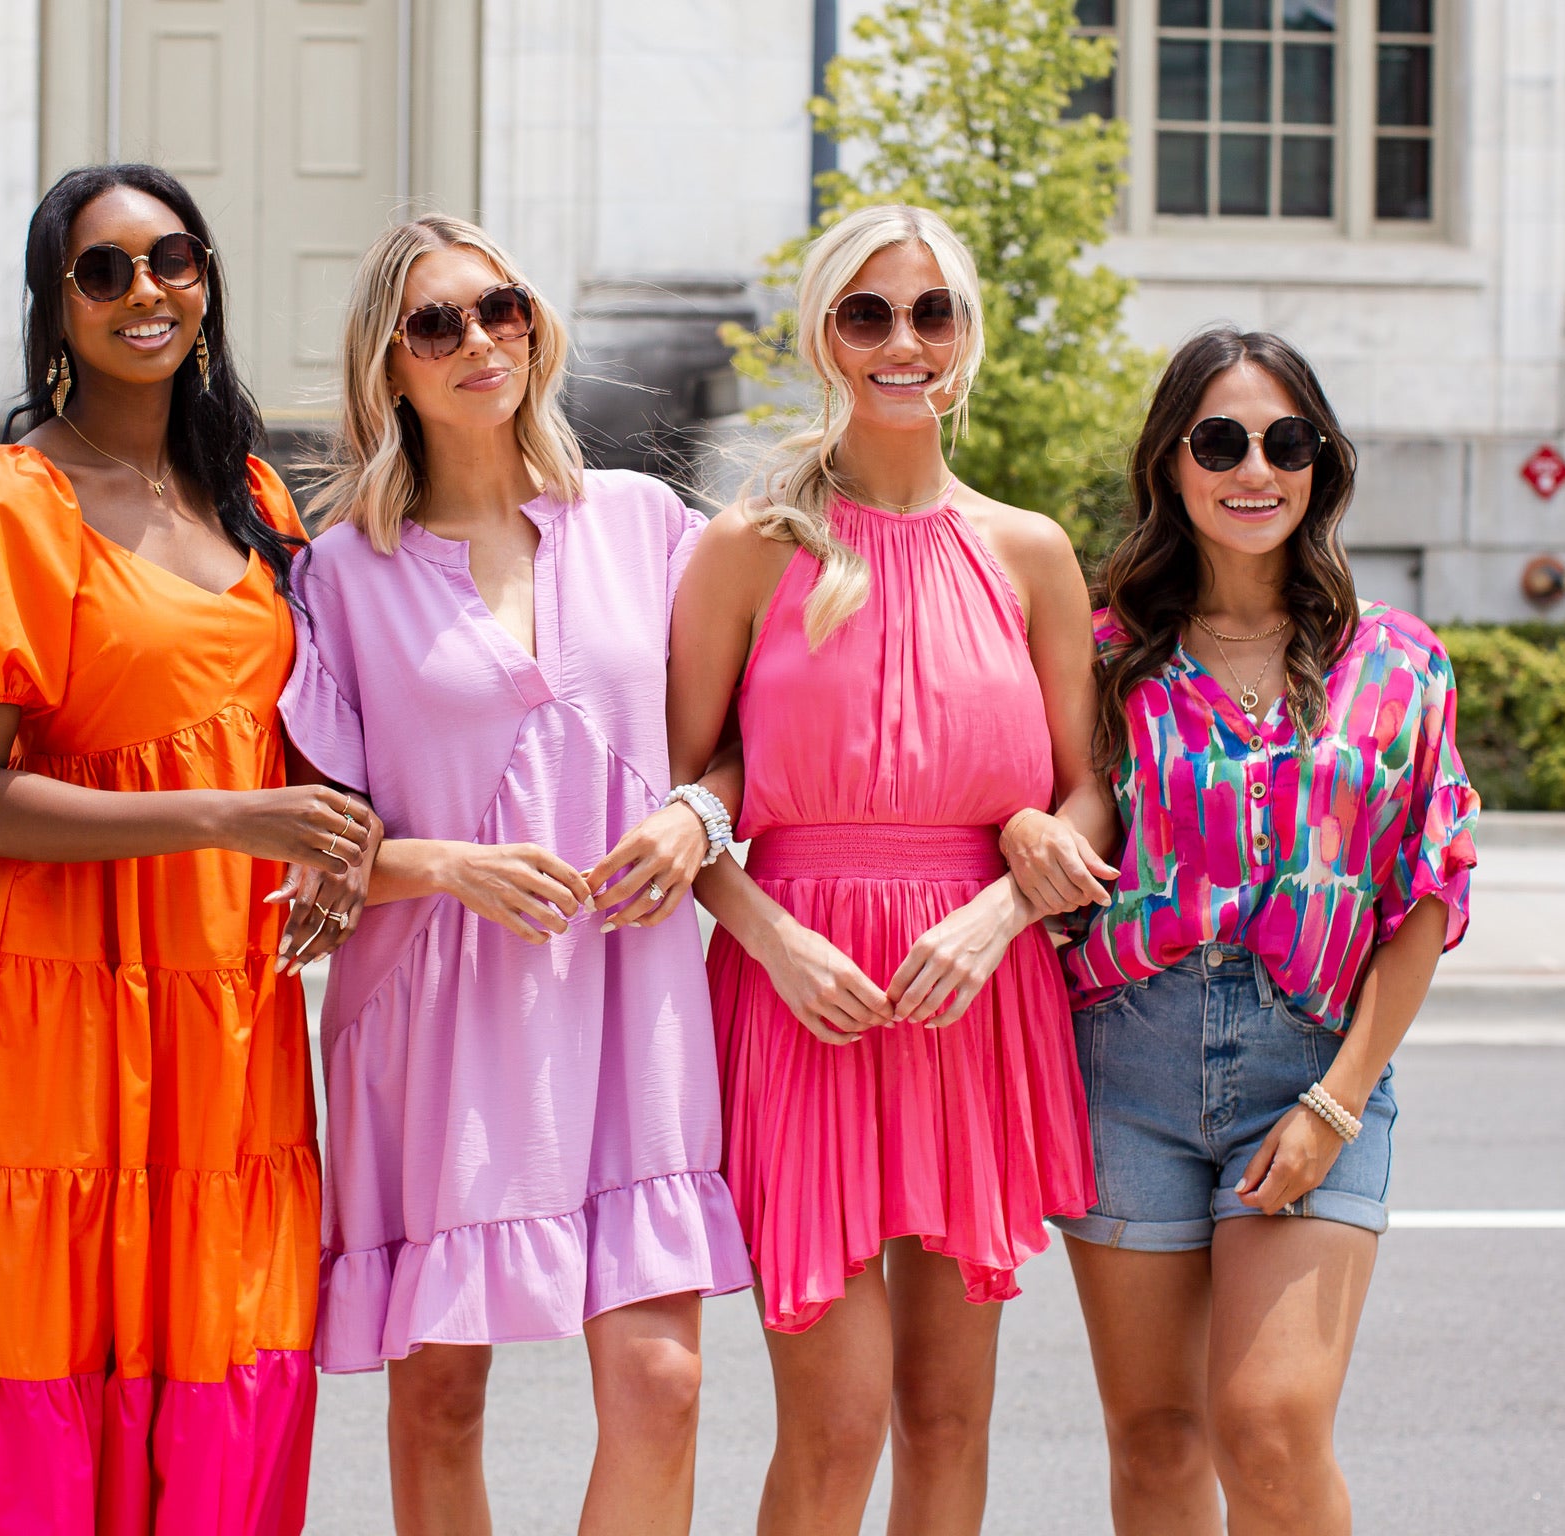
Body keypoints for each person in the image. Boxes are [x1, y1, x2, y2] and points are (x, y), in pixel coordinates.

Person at [0, 164, 376, 1535]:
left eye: (172, 260)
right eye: (105, 269)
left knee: (221, 1334)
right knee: (51, 1340)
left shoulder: (249, 489)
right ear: (55, 303)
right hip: (49, 992)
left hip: (219, 1002)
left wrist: (317, 832)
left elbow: (272, 726)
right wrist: (230, 817)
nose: (147, 293)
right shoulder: (4, 504)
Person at [281, 215, 753, 1535]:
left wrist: (693, 822)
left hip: (632, 1003)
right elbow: (310, 844)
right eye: (437, 324)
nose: (478, 341)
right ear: (390, 366)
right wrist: (443, 864)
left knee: (661, 1385)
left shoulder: (649, 526)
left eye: (502, 310)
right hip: (438, 1022)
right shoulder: (340, 576)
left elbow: (737, 750)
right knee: (440, 1404)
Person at [669, 203, 1111, 1536]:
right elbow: (682, 806)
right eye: (868, 313)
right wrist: (765, 934)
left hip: (977, 997)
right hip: (800, 999)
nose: (902, 342)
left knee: (946, 1420)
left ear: (967, 336)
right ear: (821, 336)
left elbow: (1088, 797)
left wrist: (1003, 907)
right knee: (839, 1420)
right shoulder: (748, 546)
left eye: (932, 312)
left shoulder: (1026, 550)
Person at [1050, 327, 1478, 1534]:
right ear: (1172, 464)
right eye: (1220, 440)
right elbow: (1044, 823)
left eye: (1285, 441)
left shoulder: (1396, 662)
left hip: (1313, 1064)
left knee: (1271, 1427)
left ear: (1320, 464)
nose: (1254, 468)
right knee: (1154, 1442)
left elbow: (1429, 889)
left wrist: (1339, 1097)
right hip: (1119, 1070)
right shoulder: (1101, 658)